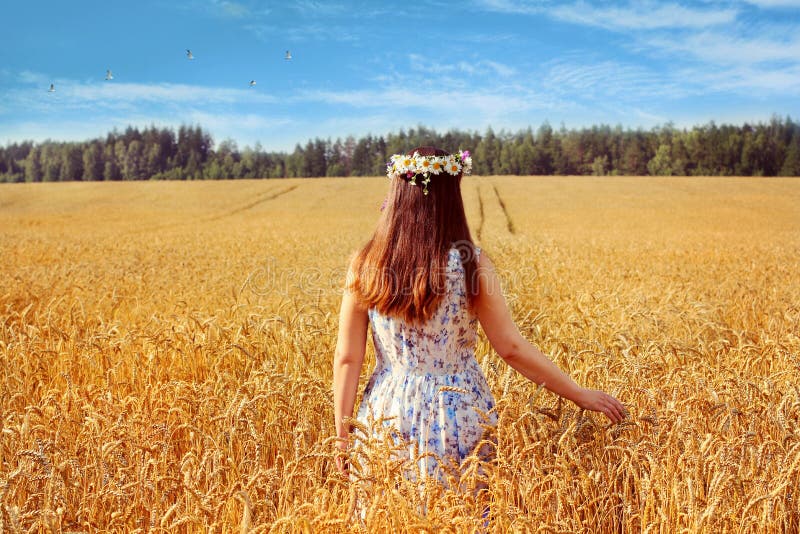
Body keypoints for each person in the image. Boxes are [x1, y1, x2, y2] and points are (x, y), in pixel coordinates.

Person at [332, 146, 626, 490]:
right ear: (451, 196)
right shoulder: (472, 263)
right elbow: (511, 348)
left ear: (396, 192)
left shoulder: (366, 263)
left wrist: (342, 435)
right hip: (461, 409)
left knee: (387, 513)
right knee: (466, 511)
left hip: (386, 414)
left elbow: (348, 358)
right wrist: (577, 393)